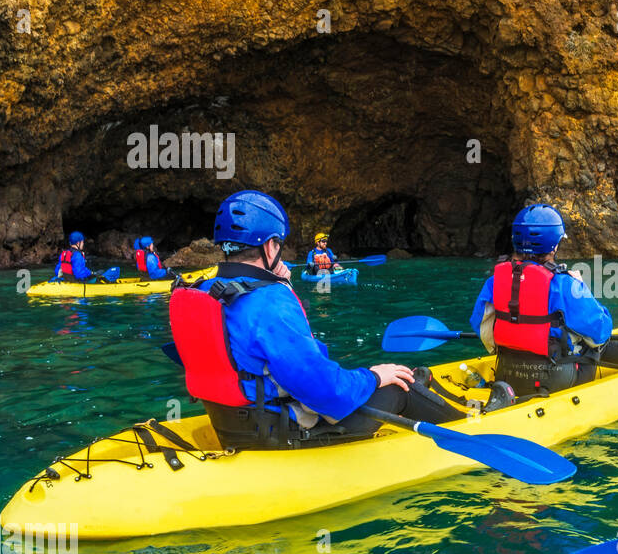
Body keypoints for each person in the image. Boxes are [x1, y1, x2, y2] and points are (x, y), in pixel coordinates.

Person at [169, 190, 480, 450]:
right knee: (402, 385)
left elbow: (252, 352)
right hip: (278, 433)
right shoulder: (269, 302)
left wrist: (283, 286)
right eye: (279, 243)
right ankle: (474, 430)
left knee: (391, 377)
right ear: (269, 246)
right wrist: (372, 377)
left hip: (229, 421)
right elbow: (323, 391)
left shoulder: (206, 290)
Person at [469, 203, 618, 395]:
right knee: (590, 340)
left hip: (507, 375)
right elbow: (601, 332)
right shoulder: (566, 284)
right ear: (554, 245)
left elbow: (482, 328)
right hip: (556, 379)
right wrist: (582, 287)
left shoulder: (494, 281)